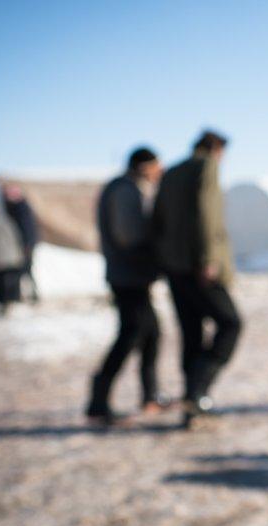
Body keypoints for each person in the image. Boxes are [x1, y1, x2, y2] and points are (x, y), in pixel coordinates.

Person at [153, 130, 242, 425]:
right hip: (201, 266)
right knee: (230, 322)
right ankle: (198, 390)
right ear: (216, 148)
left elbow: (159, 219)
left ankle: (191, 405)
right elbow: (207, 212)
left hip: (175, 267)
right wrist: (208, 260)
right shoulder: (206, 167)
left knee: (191, 334)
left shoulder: (171, 173)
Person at [86, 147, 165, 425]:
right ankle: (98, 401)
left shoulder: (126, 188)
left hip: (132, 276)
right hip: (127, 277)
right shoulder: (125, 190)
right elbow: (129, 236)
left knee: (151, 333)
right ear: (146, 167)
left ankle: (151, 395)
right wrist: (155, 255)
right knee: (130, 336)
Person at [1, 182, 40, 302]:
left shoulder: (21, 208)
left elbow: (27, 228)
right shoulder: (21, 207)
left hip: (25, 246)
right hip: (25, 245)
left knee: (24, 270)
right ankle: (29, 295)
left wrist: (27, 245)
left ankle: (28, 295)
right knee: (25, 271)